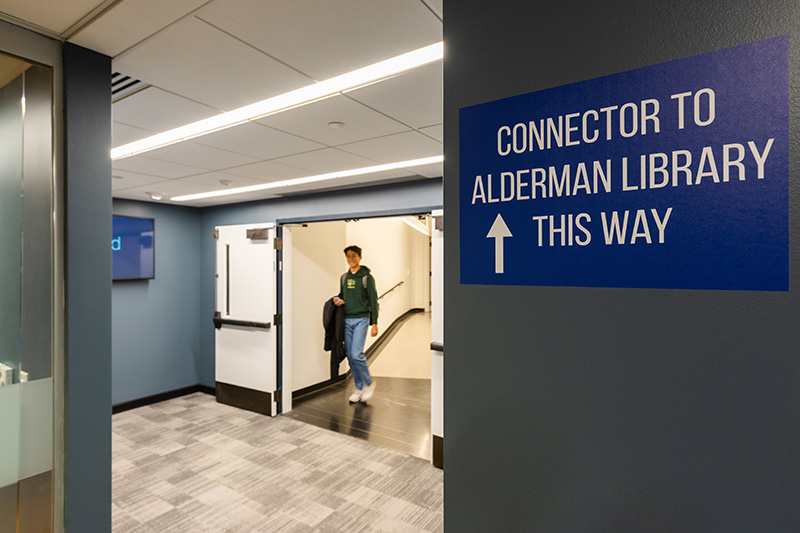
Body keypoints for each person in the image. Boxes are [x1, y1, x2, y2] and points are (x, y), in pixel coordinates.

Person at [333, 245, 379, 402]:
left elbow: (373, 300)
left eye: (354, 256)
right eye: (348, 256)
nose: (351, 259)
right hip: (346, 319)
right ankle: (358, 387)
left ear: (360, 257)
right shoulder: (344, 278)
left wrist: (374, 323)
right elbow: (342, 295)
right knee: (350, 356)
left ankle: (369, 383)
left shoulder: (367, 277)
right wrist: (338, 300)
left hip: (361, 319)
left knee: (357, 353)